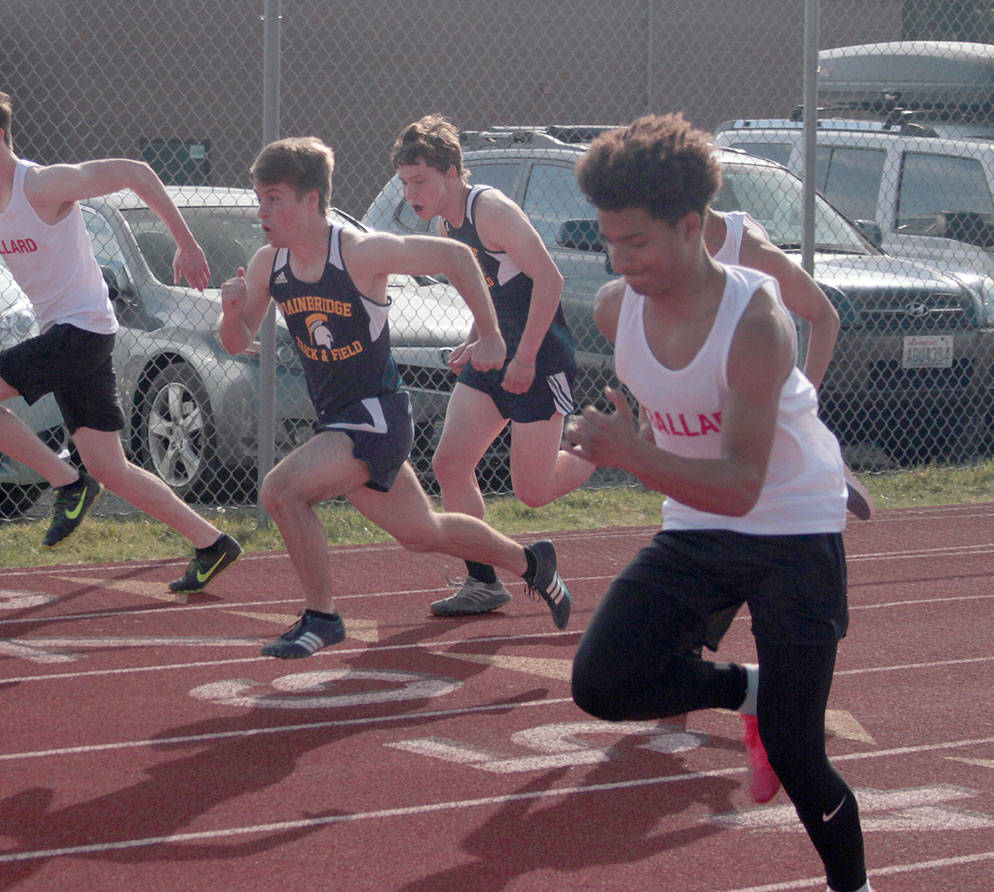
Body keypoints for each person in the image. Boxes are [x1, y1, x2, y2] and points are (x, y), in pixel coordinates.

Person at [563, 114, 870, 892]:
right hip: (700, 527)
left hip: (792, 529)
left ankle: (854, 887)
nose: (620, 260)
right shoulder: (614, 307)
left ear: (693, 226)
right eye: (610, 243)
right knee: (602, 683)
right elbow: (700, 483)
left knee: (801, 756)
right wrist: (607, 437)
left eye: (637, 242)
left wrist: (629, 451)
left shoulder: (756, 323)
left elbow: (741, 485)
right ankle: (748, 689)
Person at [217, 136, 573, 659]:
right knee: (421, 533)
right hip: (340, 422)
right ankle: (531, 561)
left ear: (311, 199)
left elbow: (456, 256)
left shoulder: (361, 252)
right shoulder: (269, 264)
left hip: (377, 419)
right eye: (259, 197)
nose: (262, 210)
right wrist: (230, 312)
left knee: (282, 491)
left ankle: (322, 617)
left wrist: (491, 335)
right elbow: (236, 340)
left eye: (274, 198)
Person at [0, 90, 240, 594]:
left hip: (81, 331)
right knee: (111, 467)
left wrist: (187, 244)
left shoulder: (42, 184)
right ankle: (211, 542)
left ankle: (68, 482)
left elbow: (138, 174)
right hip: (74, 335)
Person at [389, 115, 596, 617]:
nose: (410, 192)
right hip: (497, 353)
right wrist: (477, 337)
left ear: (452, 174)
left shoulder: (492, 211)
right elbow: (491, 292)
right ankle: (482, 582)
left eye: (420, 181)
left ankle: (606, 449)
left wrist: (524, 357)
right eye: (404, 183)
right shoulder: (445, 224)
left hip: (539, 358)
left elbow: (549, 279)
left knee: (534, 491)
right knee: (450, 463)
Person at [703, 208, 873, 520]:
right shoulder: (665, 252)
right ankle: (823, 465)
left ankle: (824, 467)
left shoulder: (749, 249)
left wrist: (804, 405)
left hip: (761, 383)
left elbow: (825, 317)